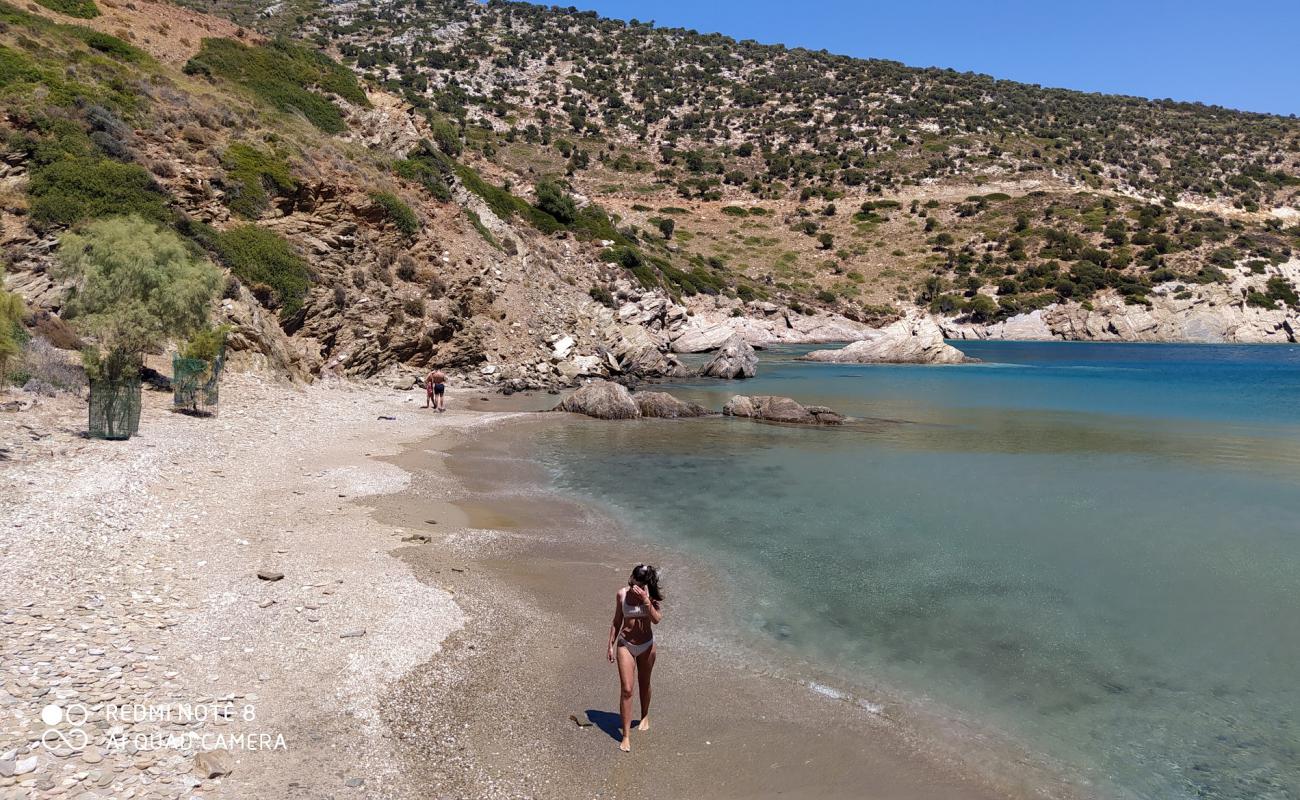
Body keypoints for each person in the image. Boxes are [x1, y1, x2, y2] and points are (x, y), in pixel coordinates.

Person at [606, 564, 663, 752]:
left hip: (647, 645)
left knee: (644, 683)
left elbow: (657, 619)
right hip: (626, 645)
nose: (635, 587)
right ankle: (625, 736)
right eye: (634, 581)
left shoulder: (650, 595)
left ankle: (645, 715)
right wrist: (610, 645)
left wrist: (646, 600)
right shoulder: (622, 594)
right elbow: (616, 621)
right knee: (627, 689)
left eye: (639, 584)